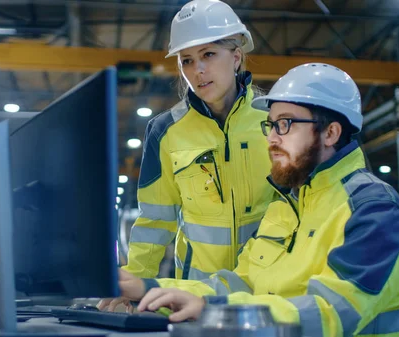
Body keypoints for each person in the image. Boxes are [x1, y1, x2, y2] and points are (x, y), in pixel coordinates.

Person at [109, 63, 399, 337]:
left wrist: (216, 313)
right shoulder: (287, 208)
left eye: (285, 125)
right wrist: (147, 288)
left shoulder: (374, 211)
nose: (271, 139)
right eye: (270, 126)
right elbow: (240, 283)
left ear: (331, 133)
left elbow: (331, 313)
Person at [100, 0, 275, 310]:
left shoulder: (275, 120)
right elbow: (156, 220)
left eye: (208, 54)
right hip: (196, 294)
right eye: (187, 60)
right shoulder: (166, 131)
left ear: (236, 57)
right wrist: (132, 287)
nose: (198, 70)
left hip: (270, 290)